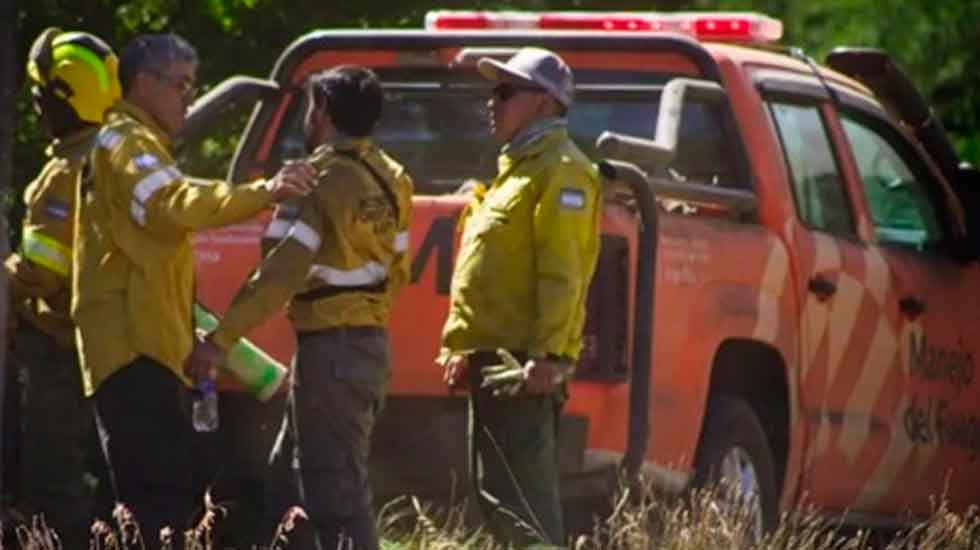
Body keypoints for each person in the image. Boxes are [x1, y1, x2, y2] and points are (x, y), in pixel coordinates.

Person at [71, 33, 314, 550]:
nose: (187, 96)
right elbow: (172, 203)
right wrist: (263, 191)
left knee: (160, 494)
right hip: (132, 351)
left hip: (149, 348)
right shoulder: (123, 143)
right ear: (142, 83)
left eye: (192, 85)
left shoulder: (138, 144)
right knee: (158, 502)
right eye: (180, 84)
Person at [184, 65, 414, 550]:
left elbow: (281, 273)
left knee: (335, 498)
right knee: (288, 483)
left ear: (324, 110)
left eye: (312, 106)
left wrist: (220, 340)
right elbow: (398, 268)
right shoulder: (393, 179)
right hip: (364, 347)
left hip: (333, 351)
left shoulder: (320, 179)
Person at [437, 47, 602, 548]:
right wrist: (465, 347)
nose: (493, 102)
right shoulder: (516, 172)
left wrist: (547, 357)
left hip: (524, 366)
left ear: (545, 102)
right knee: (498, 500)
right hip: (494, 361)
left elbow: (563, 273)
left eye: (506, 92)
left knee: (524, 507)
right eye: (494, 91)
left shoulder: (562, 170)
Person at [3, 28, 121, 548]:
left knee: (55, 475)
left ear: (58, 101)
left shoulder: (60, 177)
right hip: (118, 339)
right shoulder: (123, 160)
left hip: (60, 346)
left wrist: (7, 276)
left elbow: (44, 274)